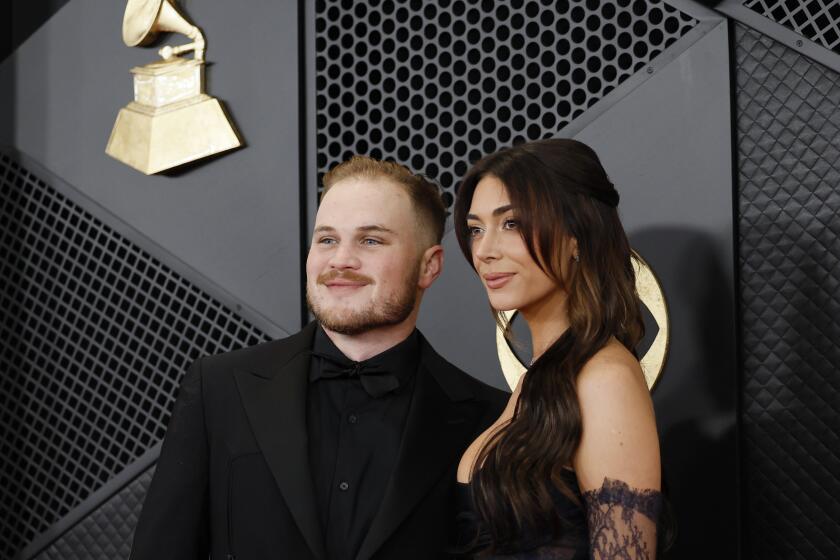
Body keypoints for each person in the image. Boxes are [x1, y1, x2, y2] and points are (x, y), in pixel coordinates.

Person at [129, 156, 508, 560]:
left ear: (429, 266)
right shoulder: (220, 388)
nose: (340, 260)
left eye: (371, 240)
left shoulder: (491, 420)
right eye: (327, 239)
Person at [451, 139, 666, 559]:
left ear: (576, 237)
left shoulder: (605, 380)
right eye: (476, 229)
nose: (485, 251)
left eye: (510, 223)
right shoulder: (541, 378)